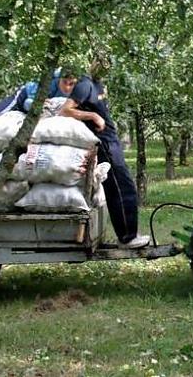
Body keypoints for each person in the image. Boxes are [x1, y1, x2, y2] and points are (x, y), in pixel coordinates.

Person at [59, 53, 150, 249]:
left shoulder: (99, 85)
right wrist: (92, 116)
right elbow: (65, 110)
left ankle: (128, 234)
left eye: (109, 64)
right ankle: (127, 238)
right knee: (121, 187)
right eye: (101, 63)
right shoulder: (85, 84)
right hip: (104, 143)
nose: (104, 67)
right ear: (93, 62)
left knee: (122, 185)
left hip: (111, 141)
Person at [0, 66, 78, 117]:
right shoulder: (49, 84)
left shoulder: (77, 93)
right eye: (64, 82)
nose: (67, 87)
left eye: (71, 84)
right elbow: (27, 103)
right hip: (24, 96)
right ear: (59, 79)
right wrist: (38, 103)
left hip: (34, 112)